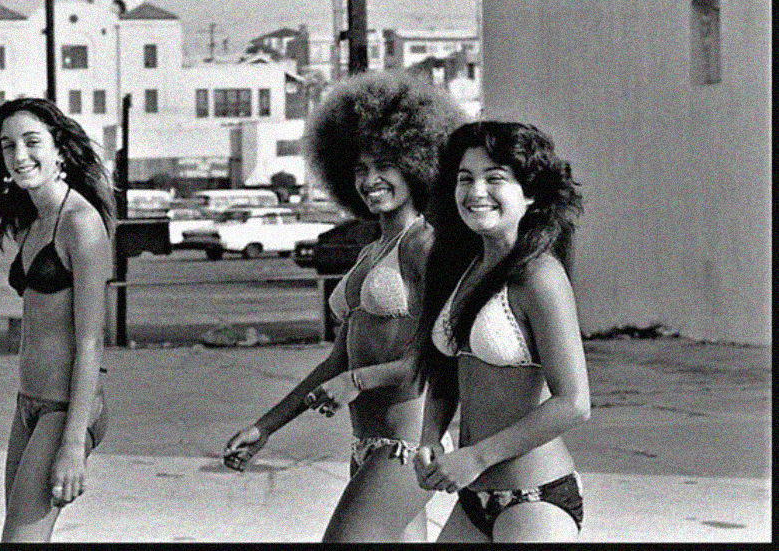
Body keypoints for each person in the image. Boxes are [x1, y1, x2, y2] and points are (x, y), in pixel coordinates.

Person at [223, 71, 468, 542]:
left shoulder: (423, 245)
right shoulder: (371, 251)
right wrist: (266, 426)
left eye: (384, 166)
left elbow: (436, 358)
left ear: (418, 164)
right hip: (367, 446)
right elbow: (337, 361)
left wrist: (356, 381)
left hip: (406, 447)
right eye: (359, 169)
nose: (370, 180)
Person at [412, 120, 589, 543]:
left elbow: (575, 402)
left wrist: (475, 457)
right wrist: (431, 435)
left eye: (495, 179)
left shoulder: (540, 276)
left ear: (530, 194)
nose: (476, 192)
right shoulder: (461, 267)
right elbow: (447, 369)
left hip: (535, 499)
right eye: (465, 179)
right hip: (474, 498)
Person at [0, 97, 114, 542]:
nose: (20, 156)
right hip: (27, 407)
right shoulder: (35, 220)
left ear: (60, 150)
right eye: (9, 146)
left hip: (65, 410)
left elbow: (91, 342)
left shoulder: (80, 223)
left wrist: (72, 443)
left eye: (32, 142)